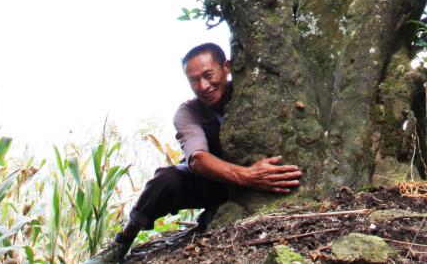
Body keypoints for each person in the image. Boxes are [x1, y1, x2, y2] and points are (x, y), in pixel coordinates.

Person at [84, 42, 302, 263]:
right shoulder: (187, 112)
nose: (203, 85)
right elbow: (197, 160)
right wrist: (248, 176)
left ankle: (215, 211)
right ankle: (122, 242)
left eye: (208, 75)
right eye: (194, 80)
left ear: (227, 67)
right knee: (166, 179)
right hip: (212, 180)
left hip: (246, 183)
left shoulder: (252, 94)